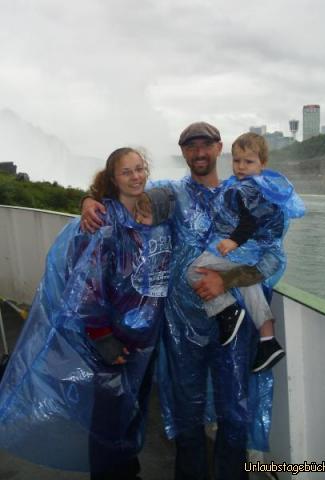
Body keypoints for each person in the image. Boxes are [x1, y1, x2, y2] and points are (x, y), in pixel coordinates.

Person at [81, 122, 296, 480]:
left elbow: (273, 258)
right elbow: (125, 196)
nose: (199, 153)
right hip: (181, 329)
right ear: (183, 152)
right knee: (187, 414)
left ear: (219, 149)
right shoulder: (170, 194)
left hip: (235, 326)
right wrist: (88, 199)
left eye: (206, 145)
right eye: (191, 146)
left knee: (235, 412)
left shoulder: (246, 194)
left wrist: (225, 279)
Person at [0, 147, 171, 480]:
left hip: (142, 338)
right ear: (113, 179)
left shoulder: (150, 213)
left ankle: (126, 469)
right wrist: (101, 335)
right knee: (108, 417)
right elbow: (85, 284)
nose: (136, 176)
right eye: (127, 172)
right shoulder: (101, 220)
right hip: (110, 338)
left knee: (131, 407)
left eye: (140, 169)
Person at [186, 132, 305, 372]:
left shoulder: (247, 190)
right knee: (248, 283)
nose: (241, 166)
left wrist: (233, 242)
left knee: (194, 270)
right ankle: (268, 339)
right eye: (237, 160)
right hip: (266, 258)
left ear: (262, 164)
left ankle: (226, 311)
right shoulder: (265, 187)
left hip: (253, 253)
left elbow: (249, 222)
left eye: (248, 162)